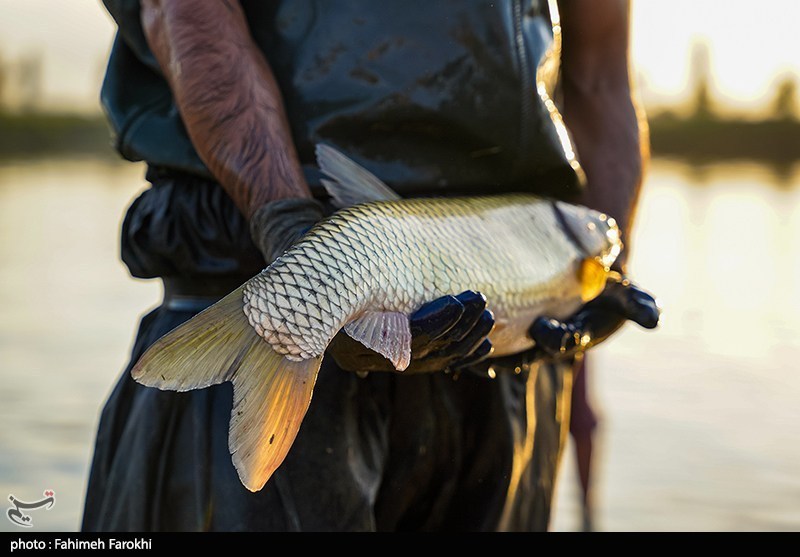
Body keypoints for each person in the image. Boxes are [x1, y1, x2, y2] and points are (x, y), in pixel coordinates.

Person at [83, 0, 658, 531]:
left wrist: (605, 269)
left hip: (509, 370)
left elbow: (601, 73)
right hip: (244, 263)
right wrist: (287, 226)